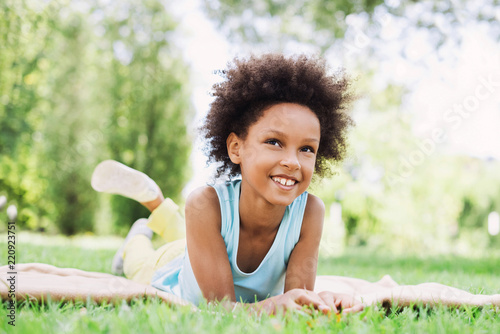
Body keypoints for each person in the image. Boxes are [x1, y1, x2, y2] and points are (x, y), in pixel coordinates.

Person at [91, 53, 361, 315]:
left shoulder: (310, 212)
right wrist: (271, 307)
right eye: (274, 142)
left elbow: (297, 299)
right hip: (171, 264)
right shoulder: (204, 203)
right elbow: (220, 309)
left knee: (187, 237)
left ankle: (157, 205)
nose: (293, 162)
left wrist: (322, 305)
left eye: (306, 149)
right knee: (142, 262)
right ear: (235, 148)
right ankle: (137, 235)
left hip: (202, 245)